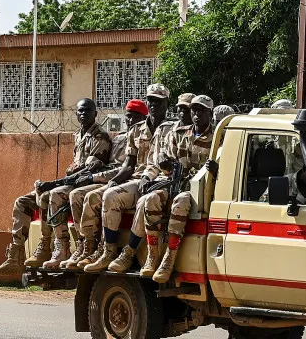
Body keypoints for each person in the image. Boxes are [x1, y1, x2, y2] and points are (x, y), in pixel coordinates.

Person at [0, 99, 111, 279]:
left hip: (82, 184)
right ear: (76, 114)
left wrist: (54, 183)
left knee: (49, 195)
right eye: (80, 111)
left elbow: (88, 171)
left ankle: (55, 246)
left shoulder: (100, 136)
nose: (84, 114)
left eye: (88, 110)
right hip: (67, 181)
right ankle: (15, 255)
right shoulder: (78, 135)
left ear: (95, 114)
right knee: (22, 202)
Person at [116, 94, 216, 282]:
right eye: (194, 110)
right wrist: (165, 163)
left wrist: (215, 169)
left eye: (202, 110)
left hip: (196, 192)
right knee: (151, 198)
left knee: (180, 201)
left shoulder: (217, 139)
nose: (196, 114)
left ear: (210, 113)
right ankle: (153, 255)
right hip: (173, 184)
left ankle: (169, 257)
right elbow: (164, 162)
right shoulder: (178, 134)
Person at [83, 84, 177, 273]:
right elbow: (128, 164)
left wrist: (150, 178)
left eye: (158, 101)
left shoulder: (173, 129)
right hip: (137, 180)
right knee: (109, 195)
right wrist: (114, 181)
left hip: (161, 180)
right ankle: (107, 251)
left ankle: (129, 252)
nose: (153, 105)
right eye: (150, 100)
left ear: (167, 103)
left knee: (144, 201)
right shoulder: (136, 130)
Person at [59, 99, 148, 270]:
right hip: (110, 178)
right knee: (76, 195)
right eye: (128, 116)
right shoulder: (120, 138)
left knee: (94, 196)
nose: (130, 121)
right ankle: (85, 245)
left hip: (127, 180)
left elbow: (125, 169)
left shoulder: (146, 137)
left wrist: (95, 178)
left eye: (136, 117)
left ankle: (105, 249)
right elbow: (110, 165)